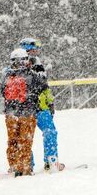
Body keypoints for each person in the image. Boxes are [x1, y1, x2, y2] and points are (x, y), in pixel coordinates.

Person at [1, 47, 46, 176]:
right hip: (27, 113)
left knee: (12, 140)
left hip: (11, 114)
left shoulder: (7, 75)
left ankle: (14, 166)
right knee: (25, 141)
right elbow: (42, 86)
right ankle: (25, 168)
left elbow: (2, 92)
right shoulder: (30, 74)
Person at [19, 37, 62, 172]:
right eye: (33, 49)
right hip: (25, 108)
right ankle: (26, 164)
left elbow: (45, 87)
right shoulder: (17, 65)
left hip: (41, 107)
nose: (36, 51)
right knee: (25, 137)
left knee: (50, 132)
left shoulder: (38, 63)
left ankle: (51, 160)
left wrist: (50, 103)